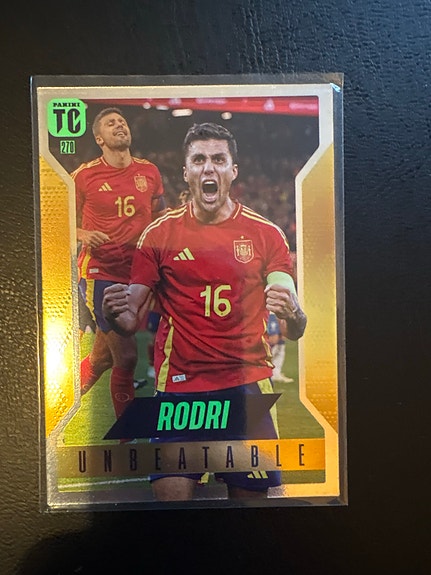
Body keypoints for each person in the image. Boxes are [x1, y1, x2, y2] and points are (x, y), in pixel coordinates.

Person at [102, 122, 307, 500]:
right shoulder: (159, 235)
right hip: (180, 393)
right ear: (186, 172)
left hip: (245, 389)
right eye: (198, 160)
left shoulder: (266, 234)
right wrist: (113, 312)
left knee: (251, 518)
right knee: (173, 516)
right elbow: (129, 319)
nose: (208, 167)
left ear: (233, 170)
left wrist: (293, 311)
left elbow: (295, 325)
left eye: (218, 159)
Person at [72, 107, 166, 422]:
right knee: (126, 357)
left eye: (122, 121)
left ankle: (54, 404)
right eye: (110, 123)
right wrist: (83, 234)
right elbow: (55, 218)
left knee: (101, 359)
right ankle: (128, 435)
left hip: (139, 275)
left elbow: (160, 216)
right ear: (99, 139)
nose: (119, 125)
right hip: (101, 273)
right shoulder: (84, 176)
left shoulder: (149, 171)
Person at [267, 312, 294, 383]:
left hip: (281, 314)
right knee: (273, 339)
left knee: (282, 339)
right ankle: (264, 370)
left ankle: (276, 373)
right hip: (271, 313)